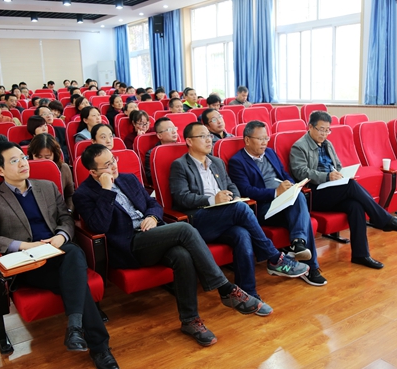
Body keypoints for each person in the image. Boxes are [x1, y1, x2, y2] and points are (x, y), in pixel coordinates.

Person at [74, 144, 266, 346]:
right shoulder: (83, 194)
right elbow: (99, 226)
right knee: (184, 229)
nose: (114, 166)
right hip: (128, 245)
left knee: (182, 256)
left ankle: (190, 320)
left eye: (113, 160)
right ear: (93, 172)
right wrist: (106, 190)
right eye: (107, 165)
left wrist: (152, 217)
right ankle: (225, 288)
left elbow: (153, 204)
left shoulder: (128, 179)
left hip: (153, 234)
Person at [0, 141, 118, 369]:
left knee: (72, 252)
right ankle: (95, 344)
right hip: (29, 264)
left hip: (57, 253)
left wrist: (61, 236)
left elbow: (66, 218)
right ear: (0, 170)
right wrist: (24, 246)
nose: (23, 163)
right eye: (14, 161)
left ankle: (79, 331)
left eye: (23, 157)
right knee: (76, 276)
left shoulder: (47, 187)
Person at [170, 122, 309, 306]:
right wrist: (212, 200)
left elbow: (231, 185)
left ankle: (248, 293)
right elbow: (181, 197)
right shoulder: (180, 165)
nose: (209, 140)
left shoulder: (216, 163)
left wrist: (234, 197)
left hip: (224, 216)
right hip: (199, 220)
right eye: (202, 136)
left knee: (242, 234)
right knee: (241, 208)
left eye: (209, 136)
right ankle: (274, 257)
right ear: (189, 141)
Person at [289, 111, 397, 269]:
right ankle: (384, 219)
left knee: (356, 205)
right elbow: (300, 172)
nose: (324, 134)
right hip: (314, 194)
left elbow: (338, 165)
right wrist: (327, 176)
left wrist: (342, 175)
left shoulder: (328, 144)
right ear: (310, 127)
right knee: (351, 186)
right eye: (321, 129)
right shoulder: (299, 146)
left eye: (327, 130)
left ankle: (361, 255)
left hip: (331, 189)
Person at [228, 120, 326, 286]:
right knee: (302, 212)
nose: (264, 142)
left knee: (299, 199)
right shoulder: (237, 161)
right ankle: (308, 262)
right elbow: (245, 190)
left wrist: (291, 185)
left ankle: (301, 250)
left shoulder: (270, 153)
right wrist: (275, 193)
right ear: (247, 140)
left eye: (266, 138)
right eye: (260, 139)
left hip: (283, 203)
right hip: (263, 207)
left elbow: (284, 174)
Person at [29, 133, 74, 211]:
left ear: (54, 155)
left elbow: (70, 195)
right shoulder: (24, 170)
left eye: (47, 157)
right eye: (38, 157)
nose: (43, 160)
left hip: (59, 211)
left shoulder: (63, 168)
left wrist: (69, 211)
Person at [144, 117, 179, 185]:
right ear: (159, 136)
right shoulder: (152, 154)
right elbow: (150, 178)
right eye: (169, 129)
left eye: (174, 128)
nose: (174, 131)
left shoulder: (183, 148)